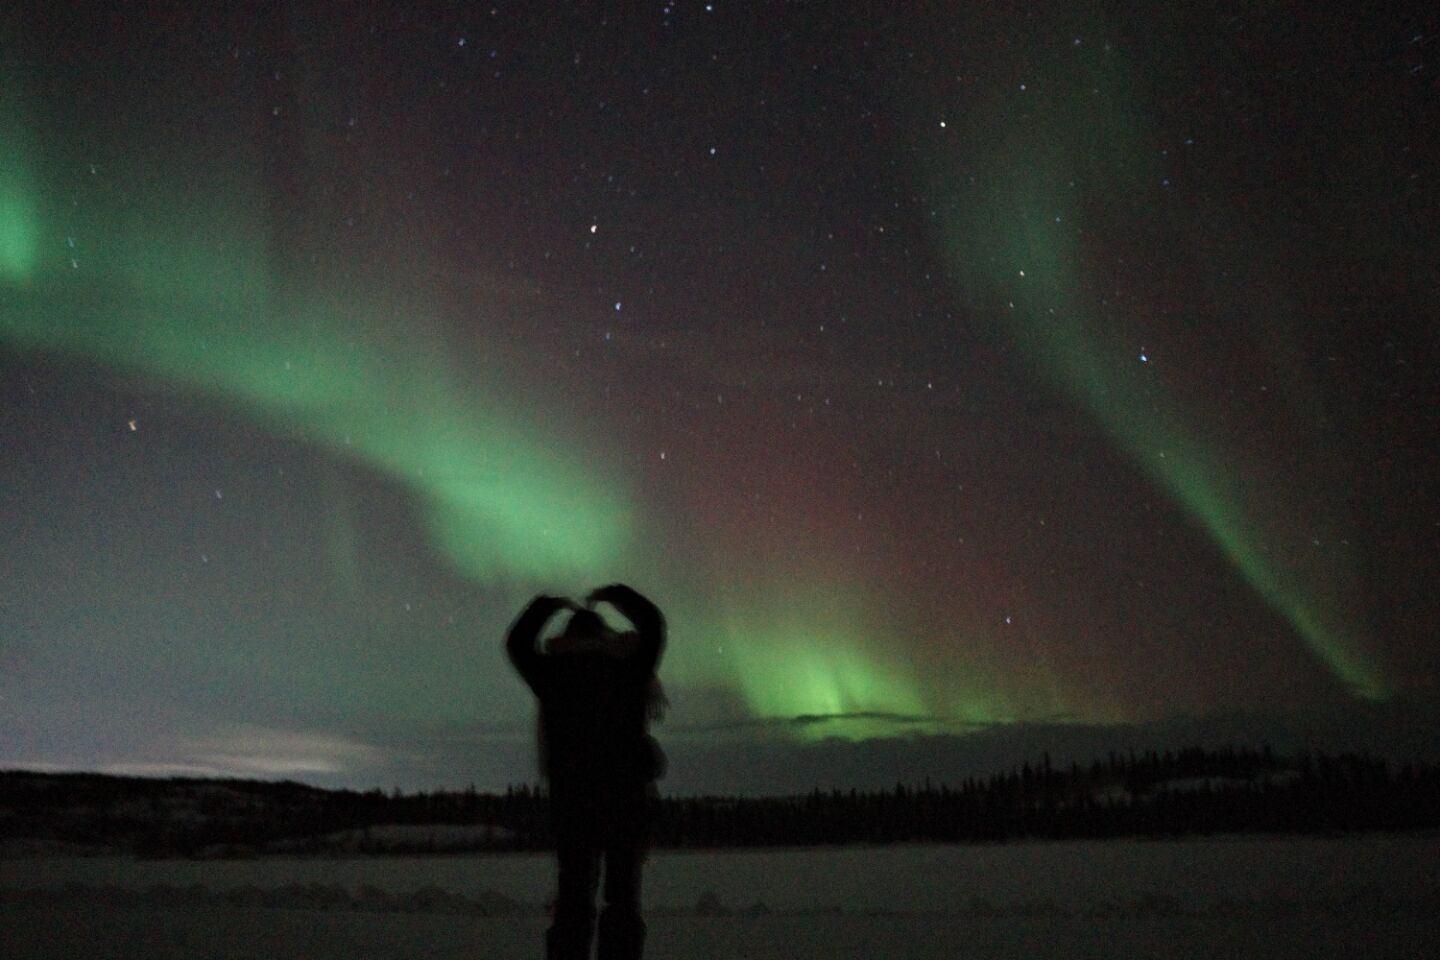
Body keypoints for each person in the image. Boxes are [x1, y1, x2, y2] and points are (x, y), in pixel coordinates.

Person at [506, 583, 667, 960]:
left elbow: (517, 644)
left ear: (568, 635)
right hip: (625, 804)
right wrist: (620, 596)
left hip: (572, 805)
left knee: (574, 901)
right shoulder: (628, 669)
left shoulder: (552, 674)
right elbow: (653, 627)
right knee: (622, 903)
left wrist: (545, 606)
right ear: (601, 632)